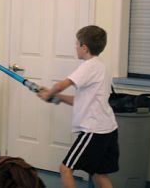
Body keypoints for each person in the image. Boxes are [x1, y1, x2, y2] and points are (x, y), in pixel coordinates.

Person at [37, 25, 119, 188]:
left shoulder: (88, 66)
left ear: (85, 47)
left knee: (65, 169)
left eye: (77, 44)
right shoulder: (102, 67)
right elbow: (80, 100)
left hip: (94, 130)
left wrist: (49, 93)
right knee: (101, 175)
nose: (75, 47)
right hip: (109, 128)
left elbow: (61, 85)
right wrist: (56, 97)